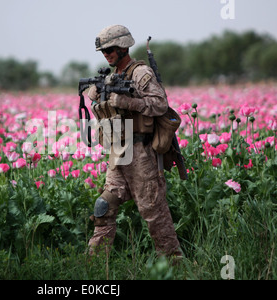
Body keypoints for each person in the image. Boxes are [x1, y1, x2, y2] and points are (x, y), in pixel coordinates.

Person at [87, 25, 183, 260]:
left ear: (123, 47)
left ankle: (175, 266)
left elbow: (160, 104)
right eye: (103, 51)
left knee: (154, 214)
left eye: (110, 49)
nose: (106, 54)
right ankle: (97, 266)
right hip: (118, 151)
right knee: (104, 207)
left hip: (141, 151)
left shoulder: (140, 73)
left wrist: (127, 102)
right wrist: (97, 93)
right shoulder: (111, 75)